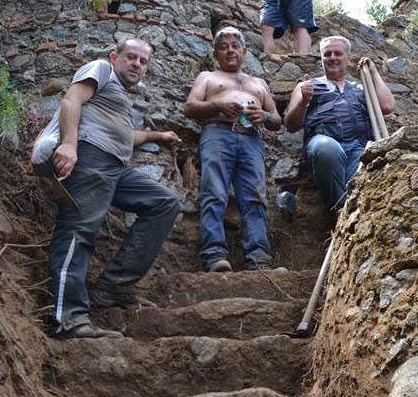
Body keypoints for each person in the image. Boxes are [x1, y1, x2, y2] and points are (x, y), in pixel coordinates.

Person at [31, 38, 181, 339]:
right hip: (91, 157)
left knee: (164, 203)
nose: (137, 64)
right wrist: (70, 145)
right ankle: (68, 318)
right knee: (79, 230)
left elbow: (128, 135)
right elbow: (71, 101)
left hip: (115, 168)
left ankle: (115, 286)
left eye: (143, 61)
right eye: (131, 57)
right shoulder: (100, 69)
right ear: (114, 57)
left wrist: (157, 135)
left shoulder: (120, 100)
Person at [183, 27, 284, 272]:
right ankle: (214, 255)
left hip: (251, 139)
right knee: (214, 192)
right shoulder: (207, 77)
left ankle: (259, 257)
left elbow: (277, 120)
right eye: (224, 46)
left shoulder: (258, 83)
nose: (230, 50)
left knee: (255, 197)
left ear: (244, 51)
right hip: (217, 133)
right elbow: (190, 107)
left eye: (235, 46)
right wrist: (217, 103)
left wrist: (264, 115)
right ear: (216, 53)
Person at [283, 36, 394, 212]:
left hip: (359, 148)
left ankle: (352, 216)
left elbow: (387, 107)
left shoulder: (359, 88)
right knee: (327, 148)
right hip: (323, 144)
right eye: (327, 54)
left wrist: (373, 72)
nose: (333, 57)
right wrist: (304, 101)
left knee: (364, 191)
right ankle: (338, 209)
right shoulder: (308, 85)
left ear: (347, 58)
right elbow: (291, 125)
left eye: (338, 53)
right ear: (321, 58)